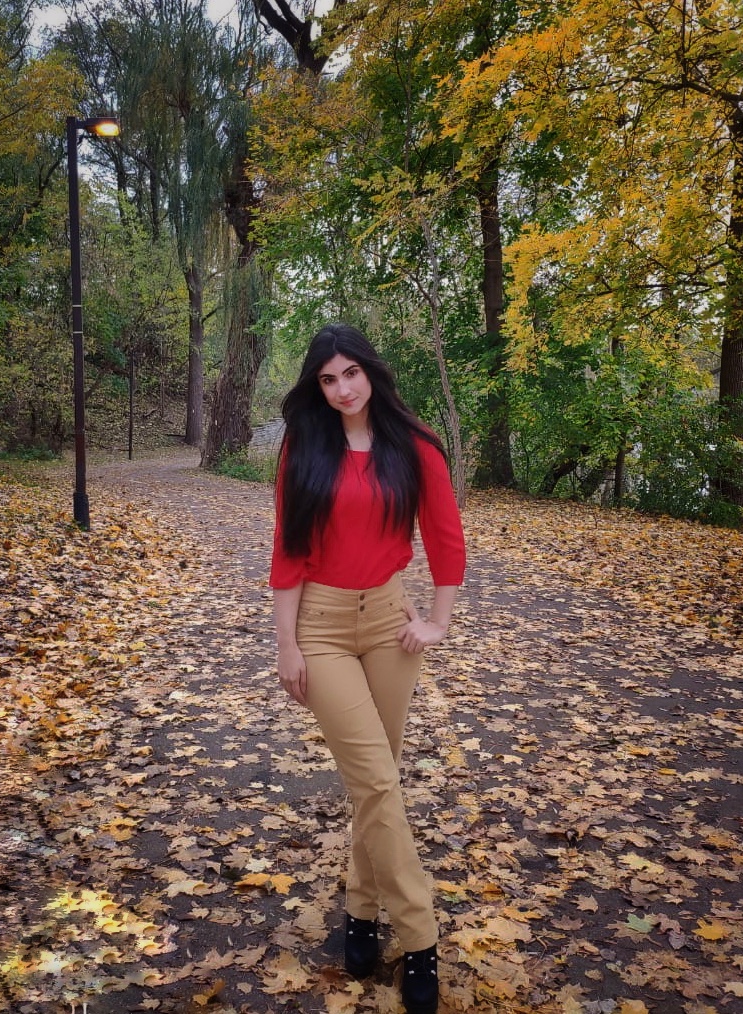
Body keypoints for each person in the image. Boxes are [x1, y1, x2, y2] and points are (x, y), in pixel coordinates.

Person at [269, 323, 466, 1014]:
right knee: (378, 781)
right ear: (317, 387)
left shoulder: (414, 446)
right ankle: (420, 936)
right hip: (320, 628)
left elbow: (444, 536)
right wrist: (286, 644)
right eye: (327, 379)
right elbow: (288, 548)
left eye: (349, 373)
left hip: (389, 623)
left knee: (375, 783)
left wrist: (436, 620)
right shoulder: (304, 444)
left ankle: (359, 909)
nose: (341, 389)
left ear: (370, 373)